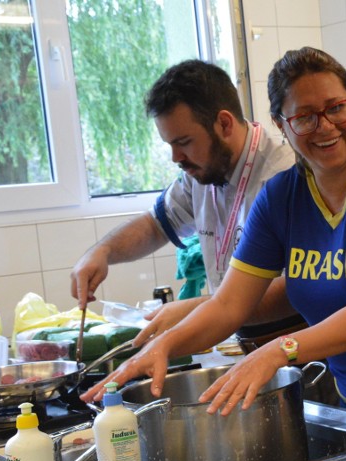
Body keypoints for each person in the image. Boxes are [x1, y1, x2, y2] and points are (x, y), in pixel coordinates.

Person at [81, 47, 346, 426]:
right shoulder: (281, 197)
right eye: (305, 116)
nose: (324, 126)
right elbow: (229, 306)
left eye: (336, 108)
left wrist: (280, 350)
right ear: (280, 123)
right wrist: (163, 347)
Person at [69, 59, 297, 339]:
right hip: (240, 337)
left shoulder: (284, 176)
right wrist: (102, 252)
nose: (176, 158)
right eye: (170, 145)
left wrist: (199, 309)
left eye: (184, 142)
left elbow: (296, 287)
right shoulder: (201, 172)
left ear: (224, 124)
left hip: (290, 345)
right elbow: (155, 225)